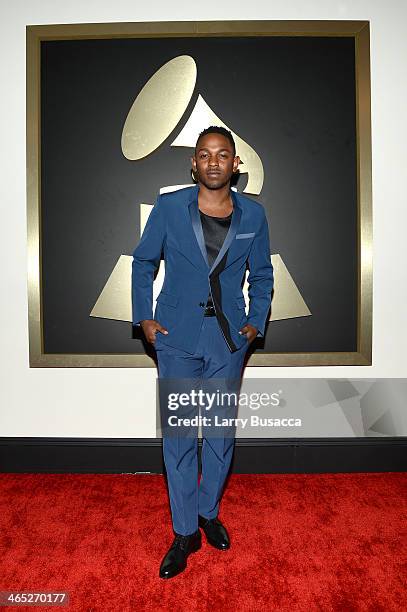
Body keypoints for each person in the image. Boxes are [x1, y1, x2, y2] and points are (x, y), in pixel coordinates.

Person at [131, 126, 274, 578]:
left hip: (229, 340)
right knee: (178, 438)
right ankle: (184, 531)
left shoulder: (254, 215)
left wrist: (257, 320)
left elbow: (264, 274)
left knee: (218, 435)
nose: (214, 162)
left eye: (223, 154)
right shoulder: (170, 207)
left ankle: (209, 513)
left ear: (236, 164)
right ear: (193, 164)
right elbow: (143, 262)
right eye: (205, 154)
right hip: (175, 336)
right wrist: (144, 317)